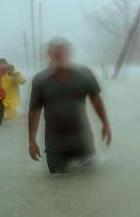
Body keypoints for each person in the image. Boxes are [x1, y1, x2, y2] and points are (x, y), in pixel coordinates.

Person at [28, 36, 112, 174]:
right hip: (55, 146)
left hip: (83, 142)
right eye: (56, 53)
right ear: (49, 54)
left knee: (89, 186)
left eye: (62, 52)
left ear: (68, 54)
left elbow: (96, 99)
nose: (59, 56)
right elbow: (34, 111)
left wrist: (105, 124)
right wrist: (32, 141)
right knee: (57, 186)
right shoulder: (40, 80)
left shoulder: (84, 74)